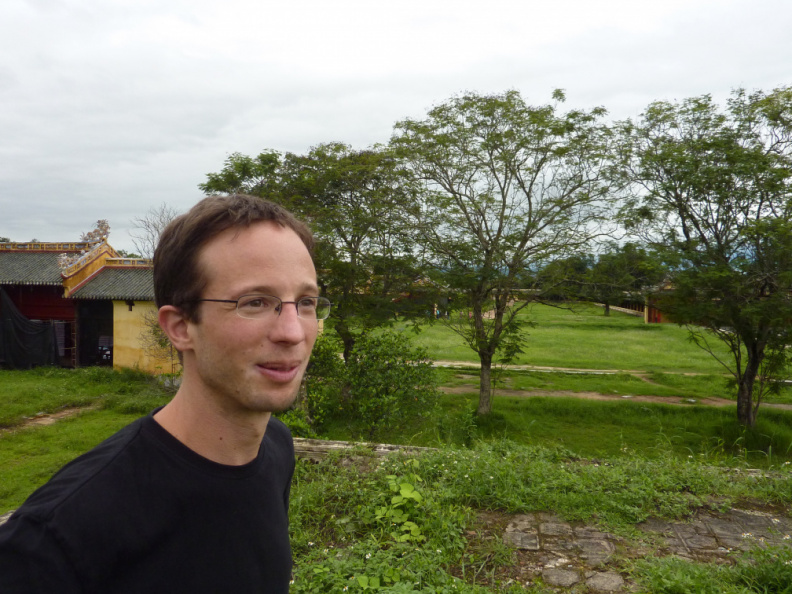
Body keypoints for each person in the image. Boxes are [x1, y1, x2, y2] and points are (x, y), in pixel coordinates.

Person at [0, 194, 328, 593]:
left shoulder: (275, 448)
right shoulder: (57, 536)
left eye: (306, 302)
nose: (293, 332)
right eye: (255, 302)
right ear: (180, 327)